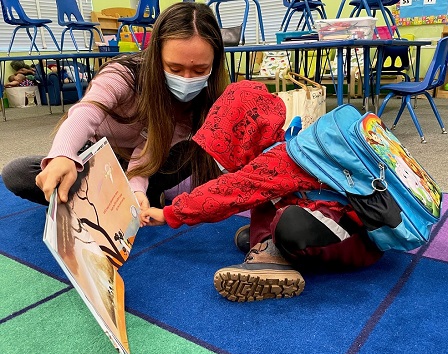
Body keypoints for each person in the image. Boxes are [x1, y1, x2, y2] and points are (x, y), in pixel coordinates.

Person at [140, 80, 384, 303]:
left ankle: (274, 256)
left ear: (243, 133)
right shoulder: (283, 145)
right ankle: (270, 242)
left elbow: (227, 193)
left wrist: (170, 214)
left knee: (289, 223)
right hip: (342, 227)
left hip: (357, 241)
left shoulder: (277, 159)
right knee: (266, 203)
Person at [1, 2, 227, 209]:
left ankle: (121, 198)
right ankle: (114, 199)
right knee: (18, 172)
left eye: (199, 70)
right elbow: (87, 112)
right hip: (97, 157)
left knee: (190, 151)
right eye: (174, 69)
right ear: (156, 56)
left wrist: (136, 186)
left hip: (147, 164)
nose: (186, 79)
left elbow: (149, 149)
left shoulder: (200, 102)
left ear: (213, 64)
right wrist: (63, 155)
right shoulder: (123, 74)